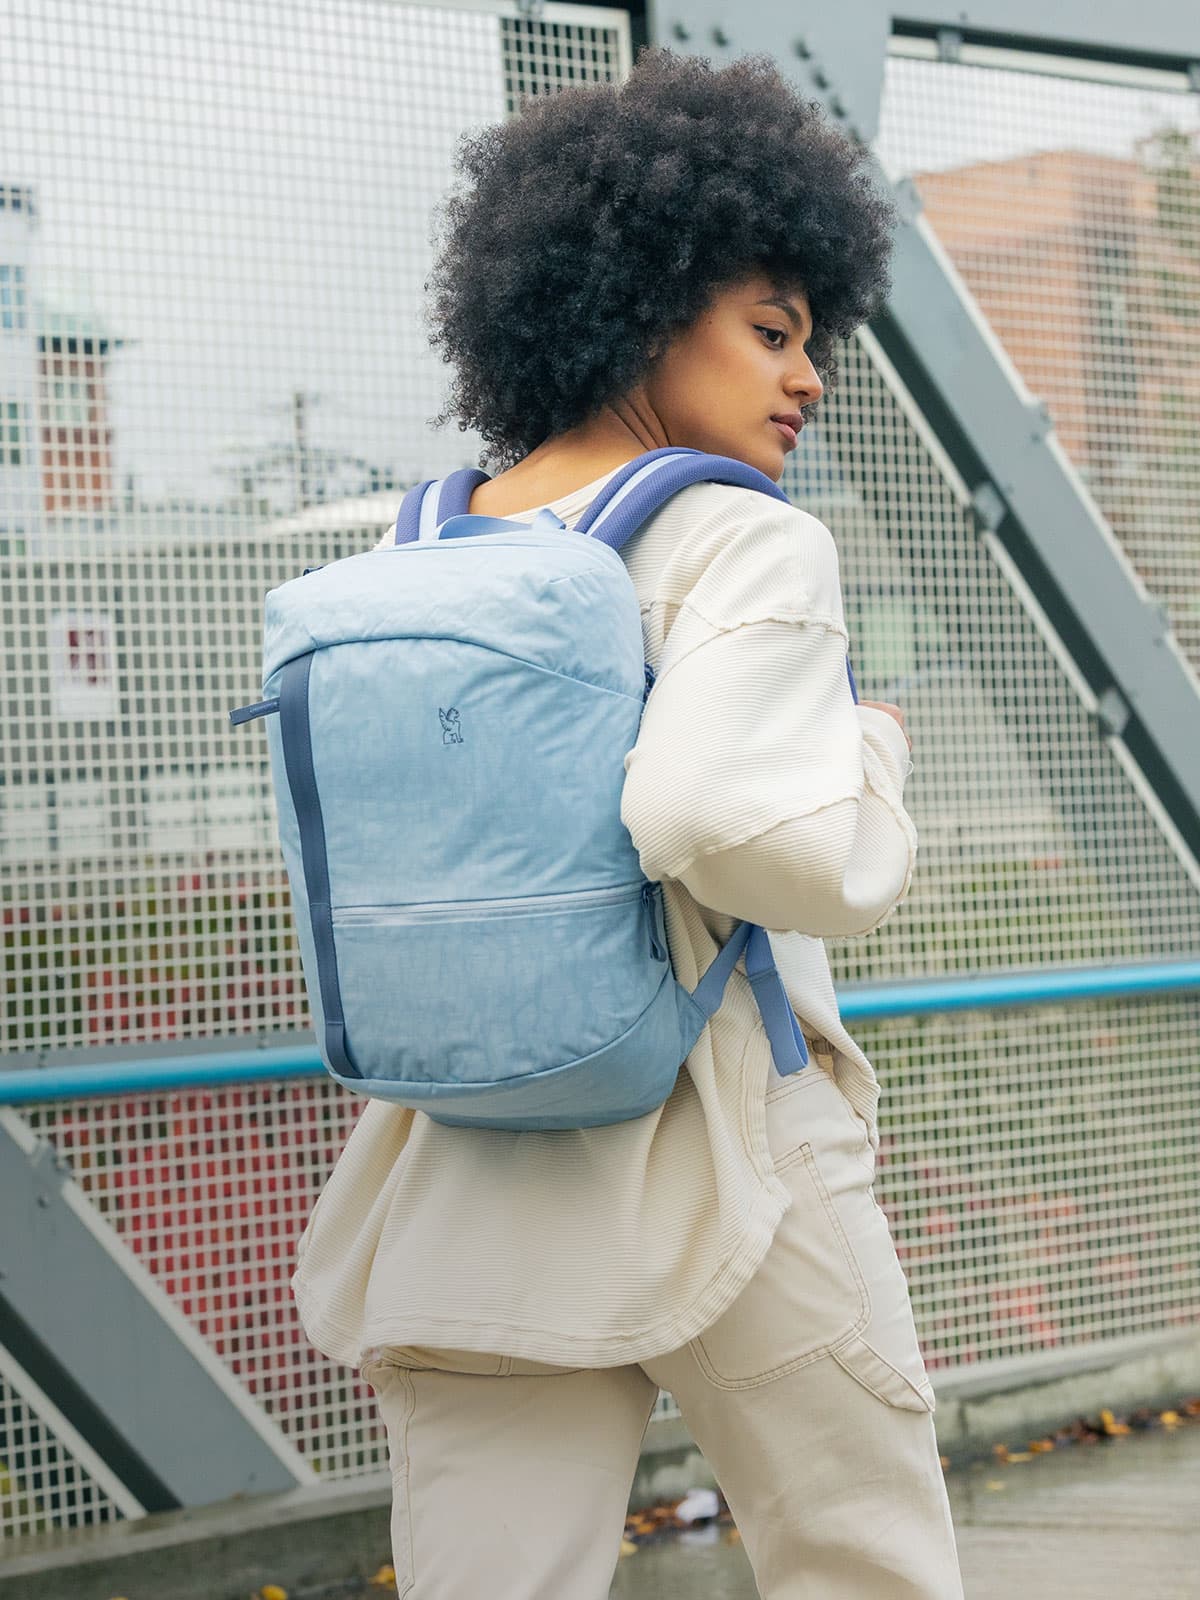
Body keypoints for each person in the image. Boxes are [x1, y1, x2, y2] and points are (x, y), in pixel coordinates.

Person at [291, 46, 964, 1599]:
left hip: (464, 1154)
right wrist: (867, 761)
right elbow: (719, 816)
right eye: (774, 330)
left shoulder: (415, 544)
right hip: (734, 1130)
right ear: (649, 299)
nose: (810, 377)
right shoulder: (741, 537)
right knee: (866, 1561)